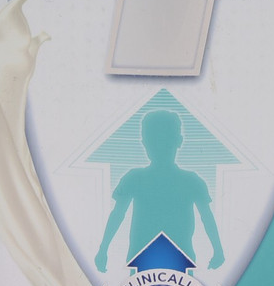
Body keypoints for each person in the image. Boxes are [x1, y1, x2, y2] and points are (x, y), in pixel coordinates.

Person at [95, 110, 225, 271]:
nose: (159, 147)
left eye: (165, 141)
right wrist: (103, 249)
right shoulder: (134, 178)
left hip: (179, 259)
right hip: (143, 259)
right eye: (154, 141)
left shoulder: (191, 181)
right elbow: (117, 214)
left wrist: (218, 250)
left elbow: (207, 217)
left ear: (178, 141)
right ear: (144, 142)